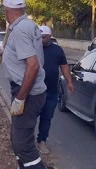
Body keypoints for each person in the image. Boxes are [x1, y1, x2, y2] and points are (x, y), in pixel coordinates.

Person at [0, 0, 47, 169]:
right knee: (17, 139)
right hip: (31, 91)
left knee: (23, 144)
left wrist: (21, 98)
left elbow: (32, 65)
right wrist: (7, 53)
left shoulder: (20, 30)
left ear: (8, 11)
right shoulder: (29, 26)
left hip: (28, 93)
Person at [36, 25, 74, 154]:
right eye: (39, 37)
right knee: (30, 117)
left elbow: (64, 66)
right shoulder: (33, 49)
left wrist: (69, 82)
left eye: (44, 37)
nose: (41, 39)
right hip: (34, 91)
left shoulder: (57, 50)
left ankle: (42, 141)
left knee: (46, 118)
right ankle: (25, 142)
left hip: (51, 91)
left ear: (50, 37)